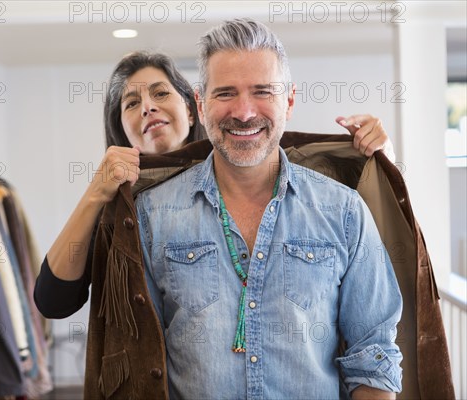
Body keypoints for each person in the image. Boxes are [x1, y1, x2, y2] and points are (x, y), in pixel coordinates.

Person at [33, 50, 397, 398]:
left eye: (161, 92)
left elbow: (330, 187)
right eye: (130, 103)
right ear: (121, 128)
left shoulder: (252, 156)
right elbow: (53, 299)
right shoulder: (131, 211)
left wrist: (380, 159)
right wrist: (96, 194)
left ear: (194, 111)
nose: (148, 106)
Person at [135, 19, 402, 400]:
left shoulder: (343, 212)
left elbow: (372, 356)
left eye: (262, 91)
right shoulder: (152, 216)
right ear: (200, 103)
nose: (244, 112)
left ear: (289, 101)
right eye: (225, 93)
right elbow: (141, 360)